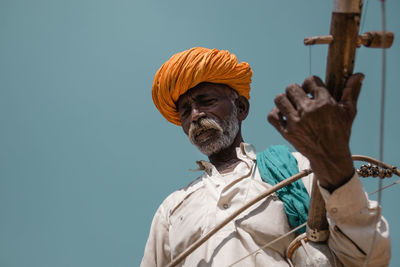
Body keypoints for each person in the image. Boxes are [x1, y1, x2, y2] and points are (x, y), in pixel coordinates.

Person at [141, 47, 390, 266]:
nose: (195, 115)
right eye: (185, 112)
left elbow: (369, 254)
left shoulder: (299, 167)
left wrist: (335, 163)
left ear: (241, 108)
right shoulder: (173, 208)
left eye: (206, 101)